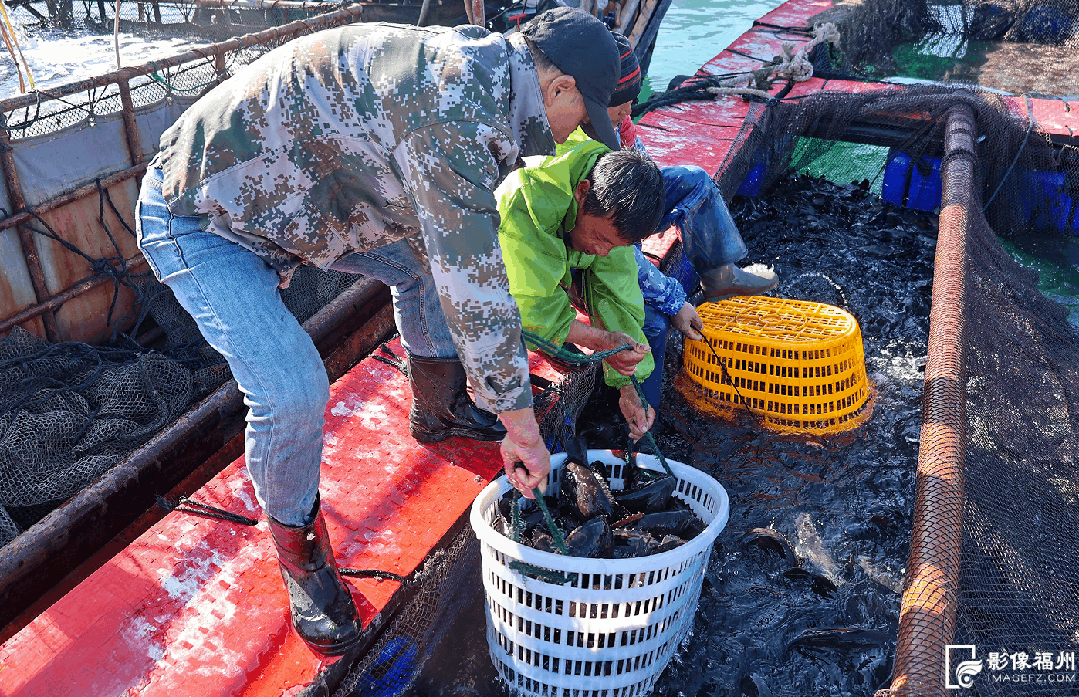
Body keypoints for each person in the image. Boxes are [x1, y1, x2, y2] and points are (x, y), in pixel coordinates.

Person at [134, 8, 622, 655]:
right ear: (559, 88)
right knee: (292, 391)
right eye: (581, 119)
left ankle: (438, 407)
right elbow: (475, 287)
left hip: (299, 197)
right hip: (201, 215)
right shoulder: (456, 112)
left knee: (426, 261)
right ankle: (300, 550)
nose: (570, 138)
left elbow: (461, 252)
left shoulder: (487, 74)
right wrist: (521, 425)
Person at [559, 31, 779, 409]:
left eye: (632, 103)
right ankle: (640, 420)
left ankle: (720, 276)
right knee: (654, 323)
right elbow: (615, 248)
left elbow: (644, 183)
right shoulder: (569, 144)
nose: (628, 112)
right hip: (584, 245)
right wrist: (675, 301)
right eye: (620, 105)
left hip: (612, 226)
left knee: (694, 181)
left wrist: (643, 206)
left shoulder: (618, 123)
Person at [496, 140, 666, 442]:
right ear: (582, 191)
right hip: (469, 260)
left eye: (614, 245)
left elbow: (617, 295)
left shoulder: (611, 208)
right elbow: (530, 310)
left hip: (546, 258)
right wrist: (601, 341)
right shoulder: (528, 199)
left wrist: (629, 387)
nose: (603, 252)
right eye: (601, 239)